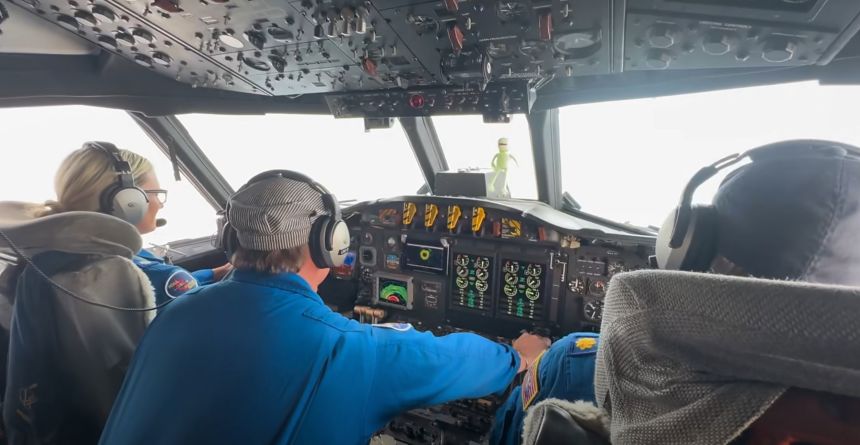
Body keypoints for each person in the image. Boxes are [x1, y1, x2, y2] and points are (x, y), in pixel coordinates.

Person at [98, 170, 549, 445]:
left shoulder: (178, 310)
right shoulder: (344, 349)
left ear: (232, 241)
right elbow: (450, 360)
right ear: (329, 245)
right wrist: (519, 355)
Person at [495, 139, 860, 445]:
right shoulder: (830, 422)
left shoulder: (576, 362)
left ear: (687, 245)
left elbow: (509, 433)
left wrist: (523, 360)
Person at [41, 141, 231, 304]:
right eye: (155, 194)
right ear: (128, 202)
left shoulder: (45, 260)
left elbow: (175, 287)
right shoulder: (145, 274)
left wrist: (215, 273)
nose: (160, 204)